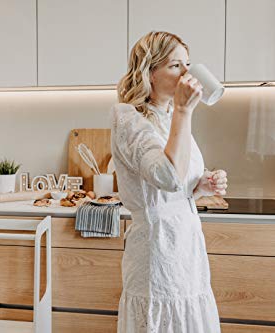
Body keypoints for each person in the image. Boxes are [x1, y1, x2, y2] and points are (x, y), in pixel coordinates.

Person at [111, 31, 228, 332]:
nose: (187, 73)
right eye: (176, 66)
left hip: (187, 250)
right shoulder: (129, 120)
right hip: (157, 252)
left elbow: (177, 184)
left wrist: (199, 186)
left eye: (188, 64)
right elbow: (166, 176)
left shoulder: (168, 117)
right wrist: (184, 109)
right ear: (149, 73)